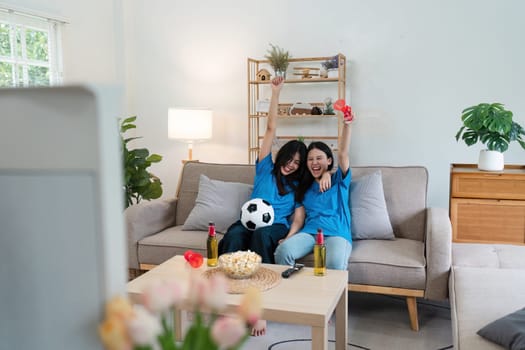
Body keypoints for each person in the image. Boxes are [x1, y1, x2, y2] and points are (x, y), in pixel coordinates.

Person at [218, 77, 306, 336]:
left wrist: (288, 238)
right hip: (247, 221)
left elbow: (298, 217)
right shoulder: (265, 168)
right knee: (233, 237)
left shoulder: (296, 187)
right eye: (289, 158)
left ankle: (260, 309)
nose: (290, 164)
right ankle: (229, 304)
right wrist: (275, 92)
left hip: (275, 227)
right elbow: (270, 129)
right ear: (282, 156)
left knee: (261, 236)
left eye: (296, 163)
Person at [274, 102, 354, 271]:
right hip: (310, 233)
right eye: (310, 159)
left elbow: (343, 153)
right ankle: (292, 294)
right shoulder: (304, 187)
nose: (314, 162)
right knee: (283, 251)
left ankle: (334, 298)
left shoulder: (339, 180)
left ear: (329, 161)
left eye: (319, 158)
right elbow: (299, 219)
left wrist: (347, 126)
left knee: (335, 265)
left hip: (336, 233)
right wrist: (288, 238)